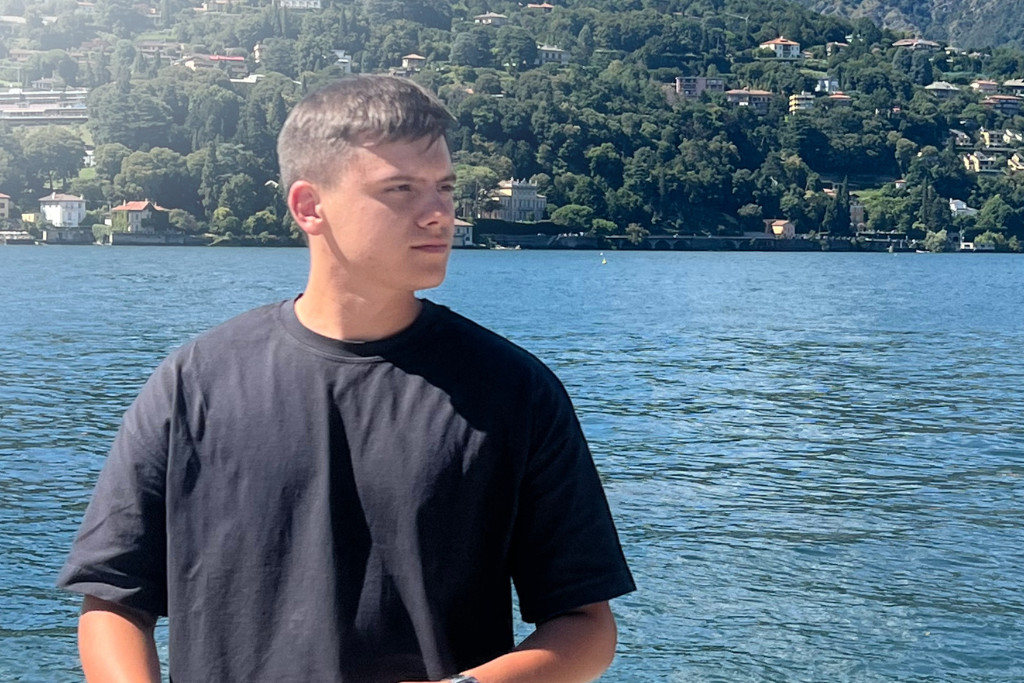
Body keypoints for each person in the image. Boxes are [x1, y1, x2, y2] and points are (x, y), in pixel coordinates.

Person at [57, 75, 635, 683]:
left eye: (444, 188)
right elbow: (113, 602)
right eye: (401, 189)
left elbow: (585, 626)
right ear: (310, 206)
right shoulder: (193, 384)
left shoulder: (514, 391)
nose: (440, 214)